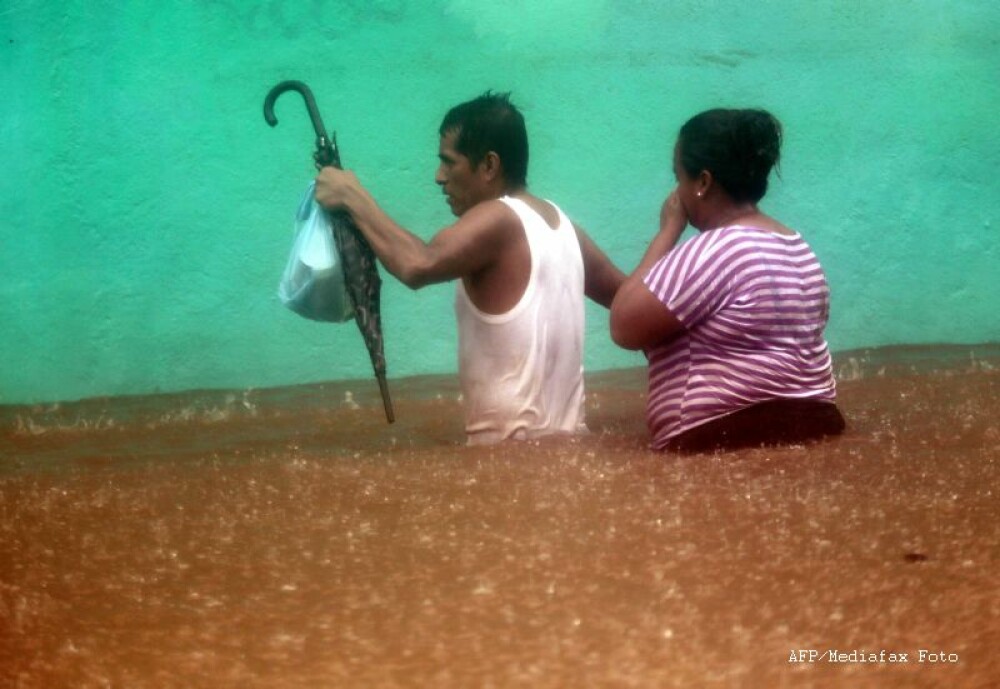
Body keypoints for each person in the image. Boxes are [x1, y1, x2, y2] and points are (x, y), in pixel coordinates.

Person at [314, 91, 625, 445]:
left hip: (506, 462)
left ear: (489, 166)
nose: (438, 177)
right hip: (567, 450)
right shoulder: (564, 227)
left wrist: (352, 195)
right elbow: (629, 299)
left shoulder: (498, 219)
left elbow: (417, 264)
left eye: (449, 163)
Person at [610, 108, 845, 452]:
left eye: (679, 177)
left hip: (722, 436)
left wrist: (668, 230)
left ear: (703, 182)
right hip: (818, 425)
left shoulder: (712, 250)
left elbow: (623, 325)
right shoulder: (798, 248)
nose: (677, 191)